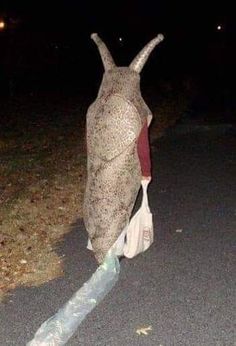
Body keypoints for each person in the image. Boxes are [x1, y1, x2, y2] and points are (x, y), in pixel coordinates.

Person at [83, 33, 164, 264]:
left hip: (98, 165)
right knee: (119, 202)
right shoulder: (133, 109)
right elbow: (142, 145)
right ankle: (112, 249)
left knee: (98, 199)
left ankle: (99, 243)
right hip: (123, 167)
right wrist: (146, 172)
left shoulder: (97, 109)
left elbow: (88, 140)